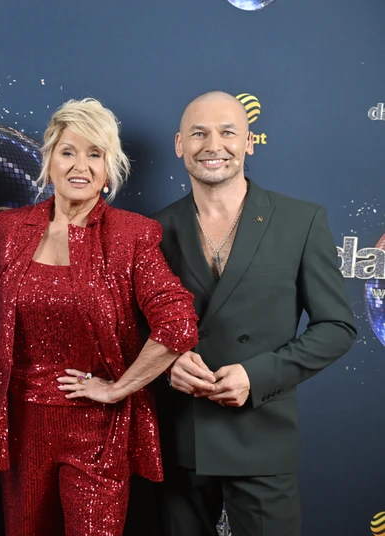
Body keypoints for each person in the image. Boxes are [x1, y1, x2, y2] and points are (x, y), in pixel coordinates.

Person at [0, 98, 199, 536]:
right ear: (49, 162)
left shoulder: (132, 234)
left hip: (98, 431)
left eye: (95, 154)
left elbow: (178, 324)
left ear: (108, 169)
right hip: (20, 429)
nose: (81, 165)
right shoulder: (6, 231)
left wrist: (118, 388)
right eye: (68, 151)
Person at [153, 91, 356, 536]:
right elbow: (129, 329)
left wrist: (256, 375)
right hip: (178, 437)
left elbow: (336, 327)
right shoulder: (152, 229)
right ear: (179, 145)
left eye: (227, 132)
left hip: (262, 434)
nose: (213, 145)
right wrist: (166, 364)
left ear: (249, 142)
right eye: (199, 133)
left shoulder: (301, 221)